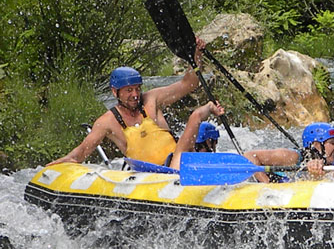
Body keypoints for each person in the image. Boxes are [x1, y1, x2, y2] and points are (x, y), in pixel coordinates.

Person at [47, 39, 224, 170]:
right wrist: (66, 160)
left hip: (175, 164)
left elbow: (189, 84)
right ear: (115, 92)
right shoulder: (107, 121)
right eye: (128, 90)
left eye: (137, 89)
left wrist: (196, 57)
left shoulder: (152, 99)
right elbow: (83, 151)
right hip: (146, 178)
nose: (135, 95)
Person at [243, 121, 334, 183]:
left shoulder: (333, 165)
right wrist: (266, 185)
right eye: (332, 143)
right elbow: (250, 156)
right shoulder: (292, 157)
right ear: (316, 145)